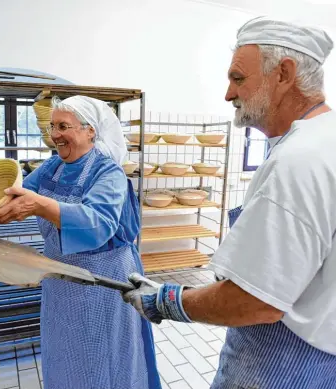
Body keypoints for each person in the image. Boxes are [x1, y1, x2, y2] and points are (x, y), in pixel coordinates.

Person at [124, 16, 336, 389]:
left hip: (281, 363)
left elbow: (256, 301)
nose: (228, 94)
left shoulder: (298, 160)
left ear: (283, 74)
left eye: (238, 78)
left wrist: (166, 300)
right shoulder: (325, 140)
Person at [0, 95, 161, 389]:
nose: (54, 135)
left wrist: (39, 205)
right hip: (60, 282)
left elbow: (98, 224)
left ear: (90, 130)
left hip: (102, 281)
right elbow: (15, 192)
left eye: (63, 126)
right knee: (64, 354)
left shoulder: (108, 172)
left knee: (100, 359)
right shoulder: (53, 167)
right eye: (52, 126)